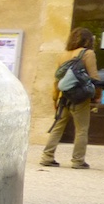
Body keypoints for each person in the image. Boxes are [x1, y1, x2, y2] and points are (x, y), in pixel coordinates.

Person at [41, 28, 99, 169]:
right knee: (81, 129)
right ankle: (78, 160)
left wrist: (55, 98)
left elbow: (57, 79)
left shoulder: (63, 55)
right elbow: (94, 77)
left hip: (64, 96)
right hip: (80, 97)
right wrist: (97, 95)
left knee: (58, 127)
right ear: (88, 40)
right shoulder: (88, 53)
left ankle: (47, 156)